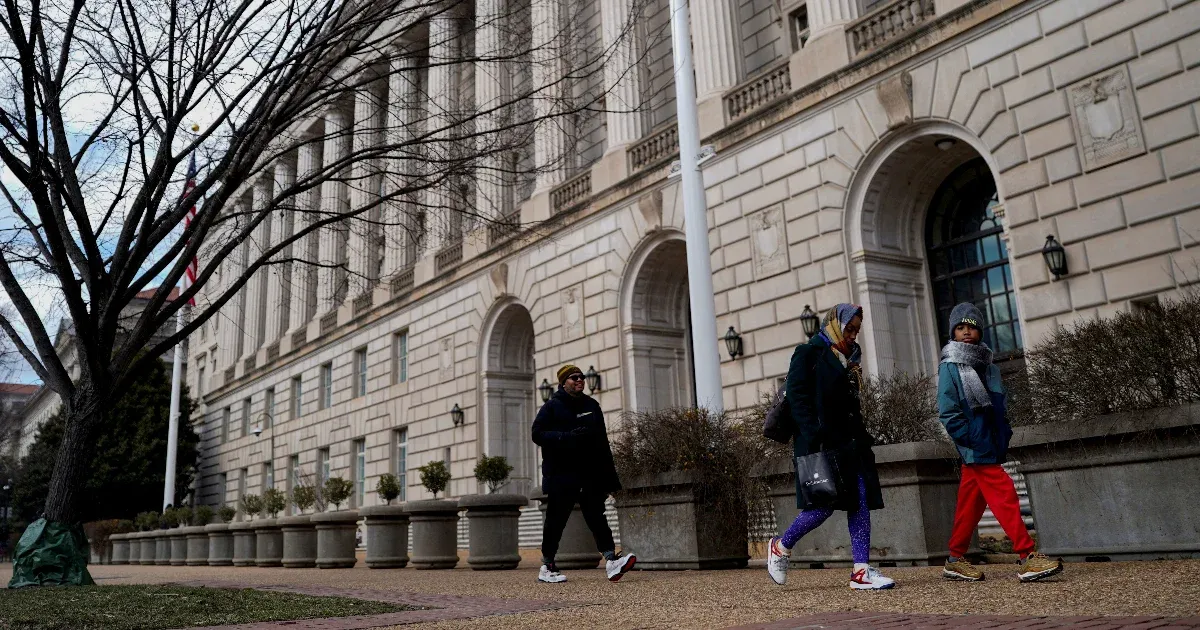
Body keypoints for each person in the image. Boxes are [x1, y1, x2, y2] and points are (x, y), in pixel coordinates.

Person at [767, 304, 895, 590]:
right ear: (834, 324)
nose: (852, 335)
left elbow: (849, 405)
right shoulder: (807, 353)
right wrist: (814, 435)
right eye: (849, 329)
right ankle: (781, 546)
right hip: (820, 444)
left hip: (850, 444)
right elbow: (798, 399)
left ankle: (861, 571)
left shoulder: (849, 359)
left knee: (859, 501)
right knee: (822, 507)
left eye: (856, 330)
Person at [938, 303, 1064, 583]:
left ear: (980, 330)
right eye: (960, 327)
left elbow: (999, 407)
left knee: (970, 503)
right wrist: (970, 439)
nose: (966, 331)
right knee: (1004, 490)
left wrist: (1003, 432)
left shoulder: (989, 366)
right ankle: (1027, 554)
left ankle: (955, 559)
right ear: (953, 333)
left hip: (992, 441)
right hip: (975, 443)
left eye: (971, 326)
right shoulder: (950, 365)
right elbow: (947, 411)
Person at [531, 364, 636, 584]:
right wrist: (565, 437)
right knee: (556, 520)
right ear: (563, 383)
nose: (580, 380)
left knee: (597, 516)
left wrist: (610, 478)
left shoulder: (591, 405)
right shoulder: (552, 407)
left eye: (582, 377)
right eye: (574, 377)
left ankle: (611, 560)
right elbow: (537, 434)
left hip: (590, 473)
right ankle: (547, 565)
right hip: (561, 474)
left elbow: (603, 443)